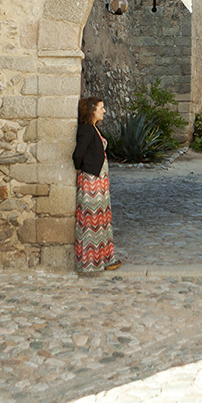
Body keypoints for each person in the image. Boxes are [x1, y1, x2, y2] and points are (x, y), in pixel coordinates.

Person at [73, 96, 121, 273]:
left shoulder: (93, 129)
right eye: (101, 108)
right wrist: (81, 170)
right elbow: (78, 154)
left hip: (99, 181)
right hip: (92, 181)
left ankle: (103, 258)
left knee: (100, 220)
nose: (104, 111)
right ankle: (90, 262)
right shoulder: (86, 129)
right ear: (92, 110)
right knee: (91, 219)